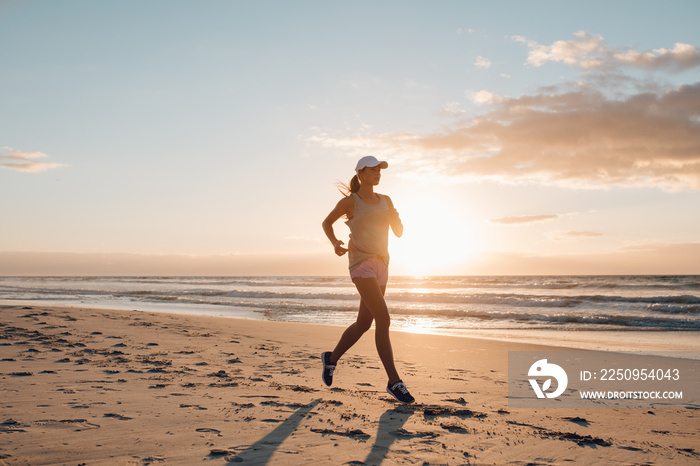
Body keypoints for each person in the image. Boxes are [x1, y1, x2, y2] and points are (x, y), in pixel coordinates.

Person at [320, 155, 415, 404]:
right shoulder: (350, 202)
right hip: (360, 264)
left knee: (363, 323)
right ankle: (394, 382)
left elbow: (399, 232)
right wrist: (334, 243)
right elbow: (327, 222)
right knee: (383, 319)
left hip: (382, 264)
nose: (378, 174)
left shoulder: (386, 200)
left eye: (379, 170)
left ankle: (331, 359)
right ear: (361, 173)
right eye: (373, 170)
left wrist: (394, 217)